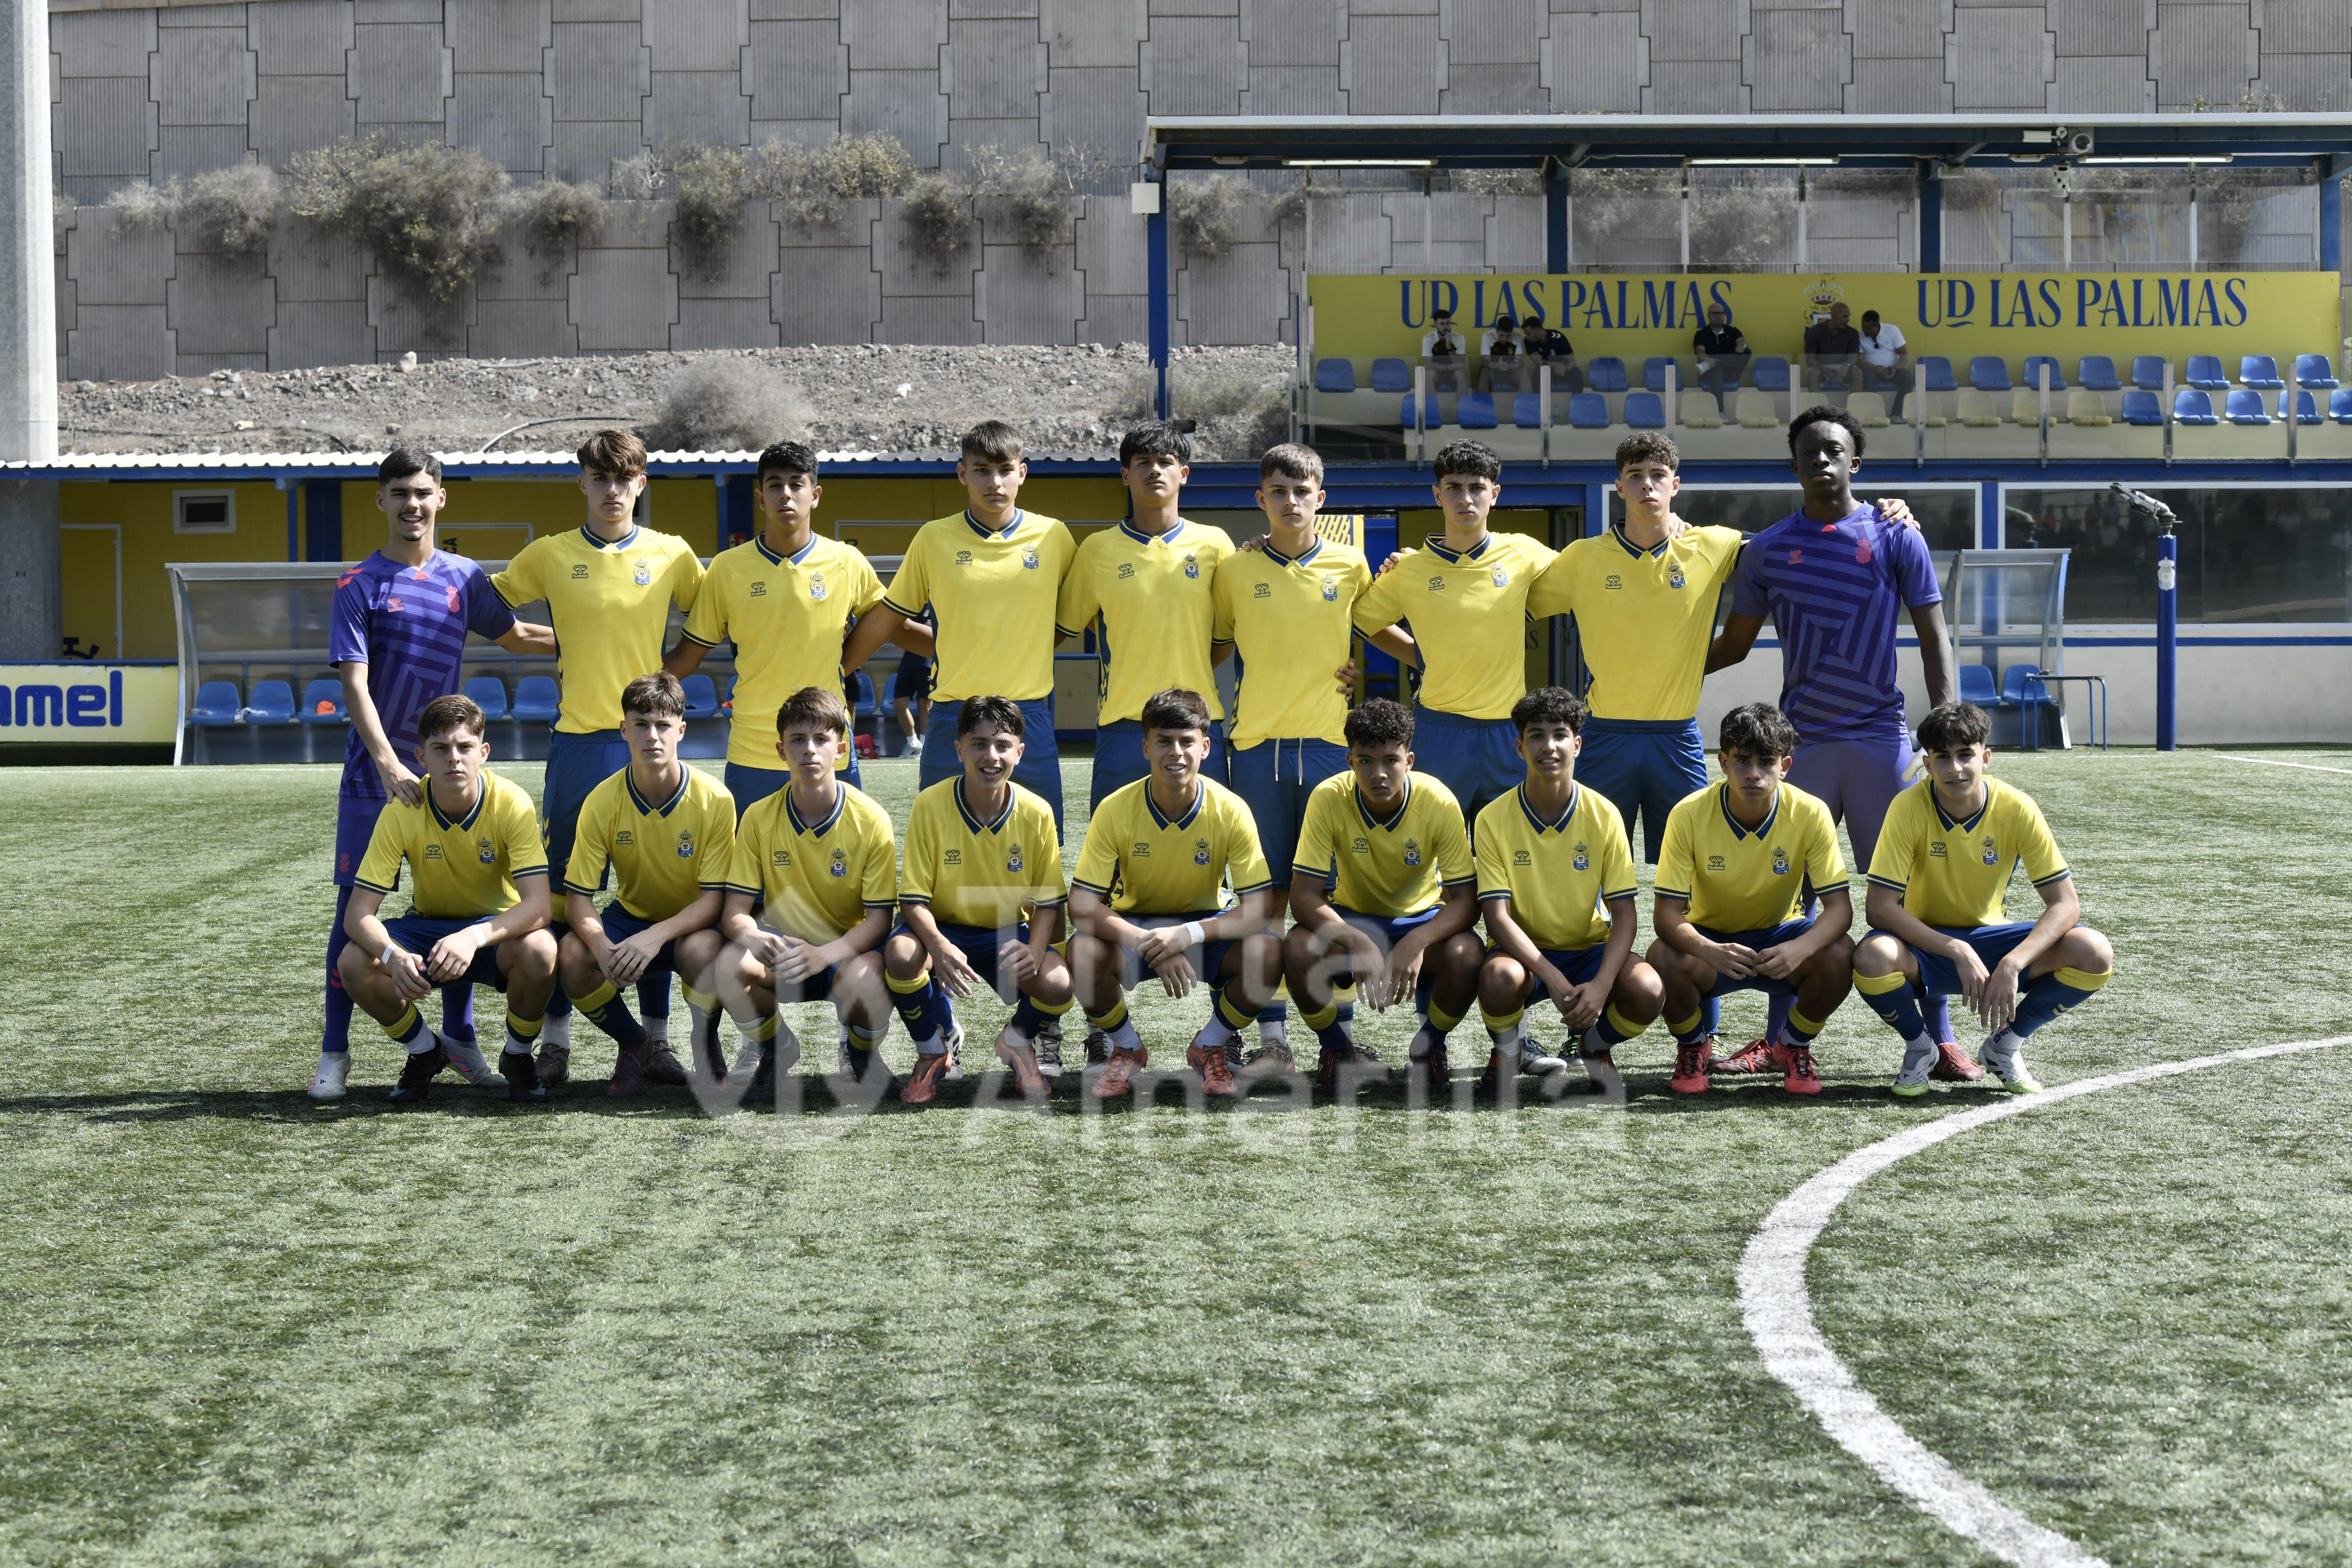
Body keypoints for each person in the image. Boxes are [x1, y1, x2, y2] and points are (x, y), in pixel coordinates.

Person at [1708, 406, 1966, 1080]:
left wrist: (1947, 724)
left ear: (1857, 463)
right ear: (1793, 464)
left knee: (1907, 897)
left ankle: (1938, 1039)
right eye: (1810, 452)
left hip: (1883, 740)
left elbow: (1934, 635)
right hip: (1806, 747)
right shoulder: (1766, 550)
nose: (1822, 461)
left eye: (1835, 450)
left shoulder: (1895, 534)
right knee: (1787, 899)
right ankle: (1779, 1039)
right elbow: (1734, 646)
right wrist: (1645, 673)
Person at [311, 448, 554, 1101]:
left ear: (441, 499)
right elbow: (355, 686)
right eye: (399, 493)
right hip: (377, 777)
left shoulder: (465, 577)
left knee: (459, 897)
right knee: (351, 921)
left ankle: (463, 1042)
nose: (412, 504)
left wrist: (612, 637)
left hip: (445, 767)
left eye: (423, 492)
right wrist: (390, 763)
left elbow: (517, 636)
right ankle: (336, 1053)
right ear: (381, 501)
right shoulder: (357, 584)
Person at [490, 430, 704, 1069]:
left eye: (625, 478)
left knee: (656, 891)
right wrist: (559, 646)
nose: (613, 490)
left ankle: (658, 1039)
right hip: (580, 742)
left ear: (642, 484)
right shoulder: (552, 555)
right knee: (562, 893)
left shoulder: (672, 554)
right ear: (582, 483)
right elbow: (492, 607)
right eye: (601, 478)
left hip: (648, 741)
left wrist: (665, 686)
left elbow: (709, 623)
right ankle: (556, 1039)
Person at [1214, 443, 1416, 1070]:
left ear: (1320, 499)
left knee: (1333, 893)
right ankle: (1273, 1039)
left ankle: (1340, 1035)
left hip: (1331, 747)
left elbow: (1372, 626)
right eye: (1279, 491)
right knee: (1266, 898)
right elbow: (1217, 640)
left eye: (1303, 491)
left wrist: (1432, 659)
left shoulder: (1350, 562)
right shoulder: (1235, 568)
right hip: (1256, 747)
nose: (1291, 501)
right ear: (1261, 499)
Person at [1852, 701, 2113, 1096]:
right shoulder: (1907, 806)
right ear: (1927, 764)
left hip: (1993, 942)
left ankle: (2005, 1046)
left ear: (1986, 758)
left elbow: (2066, 904)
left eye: (1965, 755)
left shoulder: (2017, 807)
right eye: (1943, 758)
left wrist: (2014, 962)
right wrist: (1956, 948)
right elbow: (1880, 907)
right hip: (1927, 947)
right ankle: (1921, 1048)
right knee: (1872, 957)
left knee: (2094, 950)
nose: (1955, 769)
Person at [666, 439, 924, 815]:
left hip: (827, 746)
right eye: (774, 485)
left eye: (796, 484)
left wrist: (957, 649)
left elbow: (893, 627)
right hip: (754, 748)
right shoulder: (727, 568)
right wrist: (625, 690)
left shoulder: (846, 562)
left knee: (837, 866)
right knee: (753, 871)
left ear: (815, 494)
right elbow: (688, 657)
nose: (785, 494)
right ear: (760, 497)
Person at [842, 422, 1077, 834]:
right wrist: (833, 673)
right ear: (962, 473)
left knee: (1041, 847)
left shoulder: (1053, 536)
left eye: (1005, 470)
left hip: (1030, 713)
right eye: (982, 470)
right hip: (954, 713)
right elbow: (889, 618)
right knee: (940, 842)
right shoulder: (934, 538)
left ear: (1022, 473)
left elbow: (1073, 617)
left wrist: (1030, 645)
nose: (994, 482)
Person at [1530, 433, 1743, 866]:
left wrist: (1887, 514)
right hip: (1606, 736)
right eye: (1636, 476)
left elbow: (1790, 547)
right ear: (1620, 486)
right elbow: (1506, 602)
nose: (1647, 484)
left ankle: (1683, 938)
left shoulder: (1714, 545)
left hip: (1677, 737)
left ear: (1675, 485)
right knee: (1588, 862)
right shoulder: (1583, 558)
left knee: (1694, 866)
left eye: (1658, 476)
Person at [336, 693, 559, 1104]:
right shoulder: (403, 809)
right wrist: (392, 956)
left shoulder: (511, 802)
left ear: (483, 753)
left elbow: (539, 908)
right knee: (353, 960)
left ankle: (517, 1055)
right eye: (441, 748)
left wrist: (473, 937)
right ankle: (425, 1051)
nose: (454, 759)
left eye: (464, 747)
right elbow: (357, 915)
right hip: (428, 931)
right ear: (422, 756)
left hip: (493, 933)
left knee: (542, 949)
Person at [1069, 688, 1284, 1101]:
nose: (1176, 752)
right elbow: (1080, 905)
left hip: (1204, 927)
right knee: (1082, 952)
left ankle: (1210, 1045)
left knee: (1270, 952)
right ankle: (1127, 1048)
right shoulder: (1115, 808)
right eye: (1164, 741)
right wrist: (1146, 941)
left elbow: (1259, 909)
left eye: (1187, 742)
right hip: (1137, 929)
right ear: (1146, 746)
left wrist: (1187, 936)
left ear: (1205, 746)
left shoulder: (1231, 809)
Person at [704, 684, 900, 1102]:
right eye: (797, 739)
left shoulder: (871, 820)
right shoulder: (758, 817)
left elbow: (880, 920)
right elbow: (734, 913)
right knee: (728, 965)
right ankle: (777, 1048)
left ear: (841, 749)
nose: (809, 749)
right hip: (783, 955)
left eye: (821, 739)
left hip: (844, 954)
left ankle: (862, 1053)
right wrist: (756, 938)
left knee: (869, 977)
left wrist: (826, 954)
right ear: (781, 750)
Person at [1647, 704, 1854, 1097]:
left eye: (1766, 762)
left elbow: (1840, 910)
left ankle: (1792, 1045)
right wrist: (1710, 950)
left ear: (1786, 765)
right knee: (1662, 957)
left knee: (1840, 953)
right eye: (1742, 760)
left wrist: (1800, 948)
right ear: (1723, 761)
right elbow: (1666, 916)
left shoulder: (1810, 812)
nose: (1753, 774)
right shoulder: (1689, 814)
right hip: (1712, 941)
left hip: (1781, 936)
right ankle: (1693, 1045)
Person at [1283, 699, 1481, 1096]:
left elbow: (1466, 900)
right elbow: (1303, 897)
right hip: (1351, 917)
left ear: (1409, 760)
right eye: (1366, 761)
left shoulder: (1438, 800)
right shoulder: (1327, 797)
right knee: (1298, 947)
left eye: (1390, 760)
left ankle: (1429, 1048)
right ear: (1349, 761)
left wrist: (1417, 941)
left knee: (1468, 953)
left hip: (1419, 919)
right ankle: (1337, 1050)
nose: (1378, 773)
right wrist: (1355, 939)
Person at [1353, 440, 1555, 824]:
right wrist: (1420, 653)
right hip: (1439, 731)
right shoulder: (1410, 571)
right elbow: (1363, 623)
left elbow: (1586, 579)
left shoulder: (1525, 553)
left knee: (1511, 851)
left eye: (1477, 487)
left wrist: (1670, 524)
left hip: (1506, 731)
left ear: (1494, 494)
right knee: (1429, 851)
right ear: (1437, 494)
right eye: (1454, 487)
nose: (1466, 498)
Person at [887, 695, 1076, 1105]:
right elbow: (913, 901)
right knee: (901, 954)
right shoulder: (930, 804)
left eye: (1002, 745)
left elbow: (1048, 902)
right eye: (978, 744)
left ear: (1020, 753)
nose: (991, 756)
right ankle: (934, 1048)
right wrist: (938, 947)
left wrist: (1037, 949)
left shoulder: (1037, 812)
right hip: (941, 928)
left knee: (1058, 983)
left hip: (1006, 932)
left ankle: (1017, 1040)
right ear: (959, 750)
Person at [554, 672, 736, 1096]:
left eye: (662, 725)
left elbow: (715, 901)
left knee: (704, 949)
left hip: (692, 924)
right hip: (631, 917)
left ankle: (706, 1043)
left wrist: (655, 937)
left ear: (681, 731)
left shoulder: (714, 799)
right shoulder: (601, 800)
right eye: (640, 724)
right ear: (623, 730)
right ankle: (634, 1043)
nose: (651, 736)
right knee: (572, 955)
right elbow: (578, 900)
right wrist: (602, 948)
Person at [1472, 687, 1660, 1092]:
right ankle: (1508, 1051)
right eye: (1536, 735)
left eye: (1559, 734)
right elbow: (1497, 917)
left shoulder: (1604, 814)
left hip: (1589, 950)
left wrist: (1601, 986)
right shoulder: (1492, 818)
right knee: (1499, 978)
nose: (1549, 746)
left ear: (1576, 745)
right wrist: (1554, 979)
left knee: (1648, 989)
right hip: (1523, 954)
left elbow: (1625, 914)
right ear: (1520, 747)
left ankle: (1594, 1047)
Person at [1056, 420, 1234, 811]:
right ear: (1125, 475)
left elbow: (1225, 639)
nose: (1155, 469)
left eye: (1165, 462)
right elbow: (1065, 626)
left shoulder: (1216, 544)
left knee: (1206, 848)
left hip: (1199, 722)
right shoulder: (1097, 550)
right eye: (1143, 462)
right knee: (1115, 854)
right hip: (1124, 724)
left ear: (1183, 474)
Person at [890, 616, 933, 758]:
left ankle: (925, 747)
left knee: (925, 706)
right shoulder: (912, 604)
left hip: (927, 661)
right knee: (899, 705)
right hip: (908, 660)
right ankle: (914, 744)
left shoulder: (935, 603)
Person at [1690, 303, 1749, 405]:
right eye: (1715, 314)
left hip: (1729, 373)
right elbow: (1700, 351)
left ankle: (1713, 365)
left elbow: (1742, 340)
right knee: (1716, 371)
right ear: (1709, 316)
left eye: (1721, 313)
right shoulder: (1701, 334)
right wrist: (1708, 361)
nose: (1718, 316)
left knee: (1747, 351)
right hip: (1709, 374)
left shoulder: (1732, 331)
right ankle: (1720, 412)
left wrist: (1742, 346)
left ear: (1724, 315)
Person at [1857, 309, 1908, 414]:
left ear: (1877, 326)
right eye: (1863, 327)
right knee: (1867, 378)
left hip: (1892, 369)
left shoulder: (1892, 330)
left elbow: (1904, 355)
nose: (1865, 331)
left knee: (1909, 379)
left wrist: (1895, 369)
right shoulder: (1859, 334)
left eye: (1868, 328)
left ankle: (1897, 414)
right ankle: (1874, 414)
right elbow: (1860, 361)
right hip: (1871, 370)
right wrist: (1875, 368)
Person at [1801, 301, 1860, 393]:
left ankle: (1855, 405)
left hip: (1843, 367)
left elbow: (1853, 357)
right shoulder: (1815, 331)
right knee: (1813, 373)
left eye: (1848, 316)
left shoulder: (1852, 333)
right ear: (1834, 317)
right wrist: (1822, 369)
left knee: (1857, 372)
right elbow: (1810, 360)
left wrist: (1847, 366)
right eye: (1845, 317)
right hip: (1820, 367)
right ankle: (1817, 405)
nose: (1848, 320)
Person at [1520, 309, 1583, 394]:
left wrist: (1566, 369)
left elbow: (1572, 360)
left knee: (1577, 372)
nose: (1527, 337)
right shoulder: (1528, 341)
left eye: (1529, 334)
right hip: (1547, 372)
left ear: (1538, 330)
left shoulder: (1558, 337)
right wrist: (1555, 365)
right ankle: (1539, 402)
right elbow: (1538, 361)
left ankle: (1577, 402)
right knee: (1538, 370)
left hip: (1562, 371)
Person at [1420, 307, 1467, 391]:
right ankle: (1431, 404)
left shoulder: (1459, 337)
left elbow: (1461, 362)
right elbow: (1427, 364)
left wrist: (1449, 348)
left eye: (1448, 323)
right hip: (1437, 373)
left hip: (1453, 373)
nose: (1446, 327)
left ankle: (1462, 403)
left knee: (1461, 374)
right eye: (1442, 324)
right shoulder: (1428, 338)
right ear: (1435, 325)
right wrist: (1448, 367)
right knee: (1429, 375)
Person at [1477, 315, 1523, 394]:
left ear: (1512, 332)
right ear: (1497, 330)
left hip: (1511, 371)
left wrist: (1517, 364)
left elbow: (1520, 360)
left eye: (1508, 336)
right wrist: (1497, 365)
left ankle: (1527, 403)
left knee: (1523, 372)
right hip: (1493, 371)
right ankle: (1483, 403)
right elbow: (1485, 361)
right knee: (1484, 372)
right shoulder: (1487, 336)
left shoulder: (1518, 336)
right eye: (1501, 335)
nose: (1504, 339)